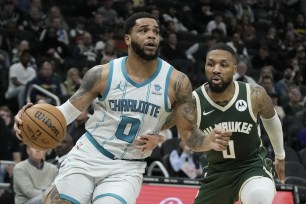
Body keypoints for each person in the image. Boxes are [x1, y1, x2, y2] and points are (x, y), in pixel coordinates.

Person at [13, 12, 231, 204]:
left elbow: (188, 134)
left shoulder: (177, 82)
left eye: (155, 31)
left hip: (127, 166)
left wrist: (207, 141)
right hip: (89, 154)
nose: (152, 35)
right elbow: (66, 113)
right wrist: (30, 125)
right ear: (127, 39)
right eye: (143, 30)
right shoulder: (102, 74)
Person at [192, 42, 286, 204]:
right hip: (216, 172)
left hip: (251, 166)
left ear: (235, 70)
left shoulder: (254, 94)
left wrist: (280, 156)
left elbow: (271, 121)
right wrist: (205, 141)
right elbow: (187, 138)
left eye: (223, 64)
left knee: (259, 198)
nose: (216, 69)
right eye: (210, 64)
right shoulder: (193, 101)